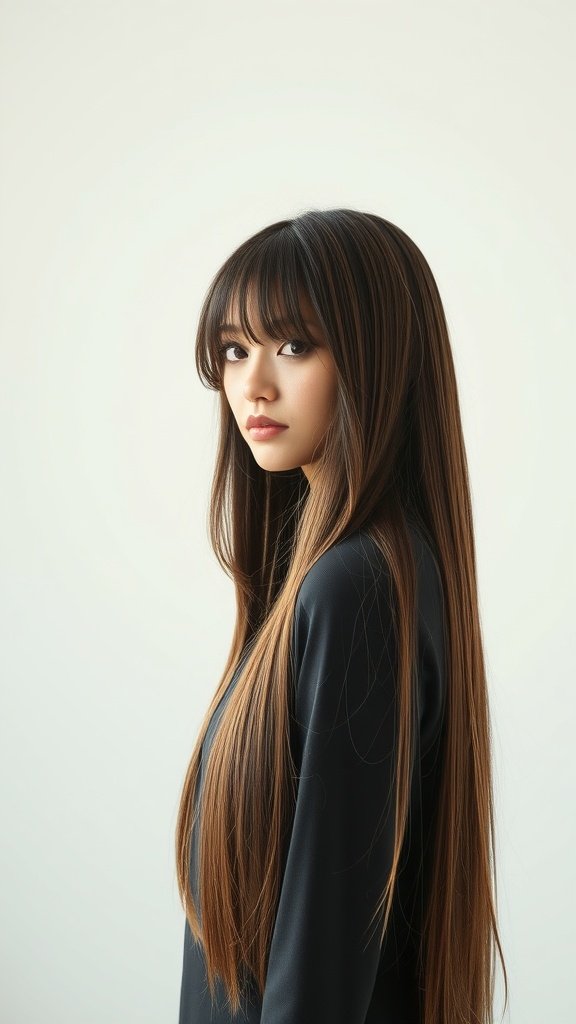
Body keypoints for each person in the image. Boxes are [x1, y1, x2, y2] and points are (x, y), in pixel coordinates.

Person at [175, 208, 508, 1024]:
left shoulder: (354, 587)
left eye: (293, 345)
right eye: (233, 349)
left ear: (376, 357)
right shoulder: (346, 579)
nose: (252, 383)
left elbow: (318, 978)